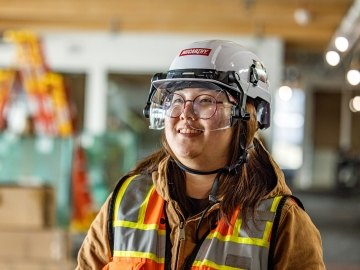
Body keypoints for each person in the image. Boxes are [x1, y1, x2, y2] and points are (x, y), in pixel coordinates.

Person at [76, 40, 325, 269]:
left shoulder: (283, 222)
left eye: (205, 100)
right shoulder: (126, 201)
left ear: (247, 116)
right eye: (176, 99)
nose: (185, 113)